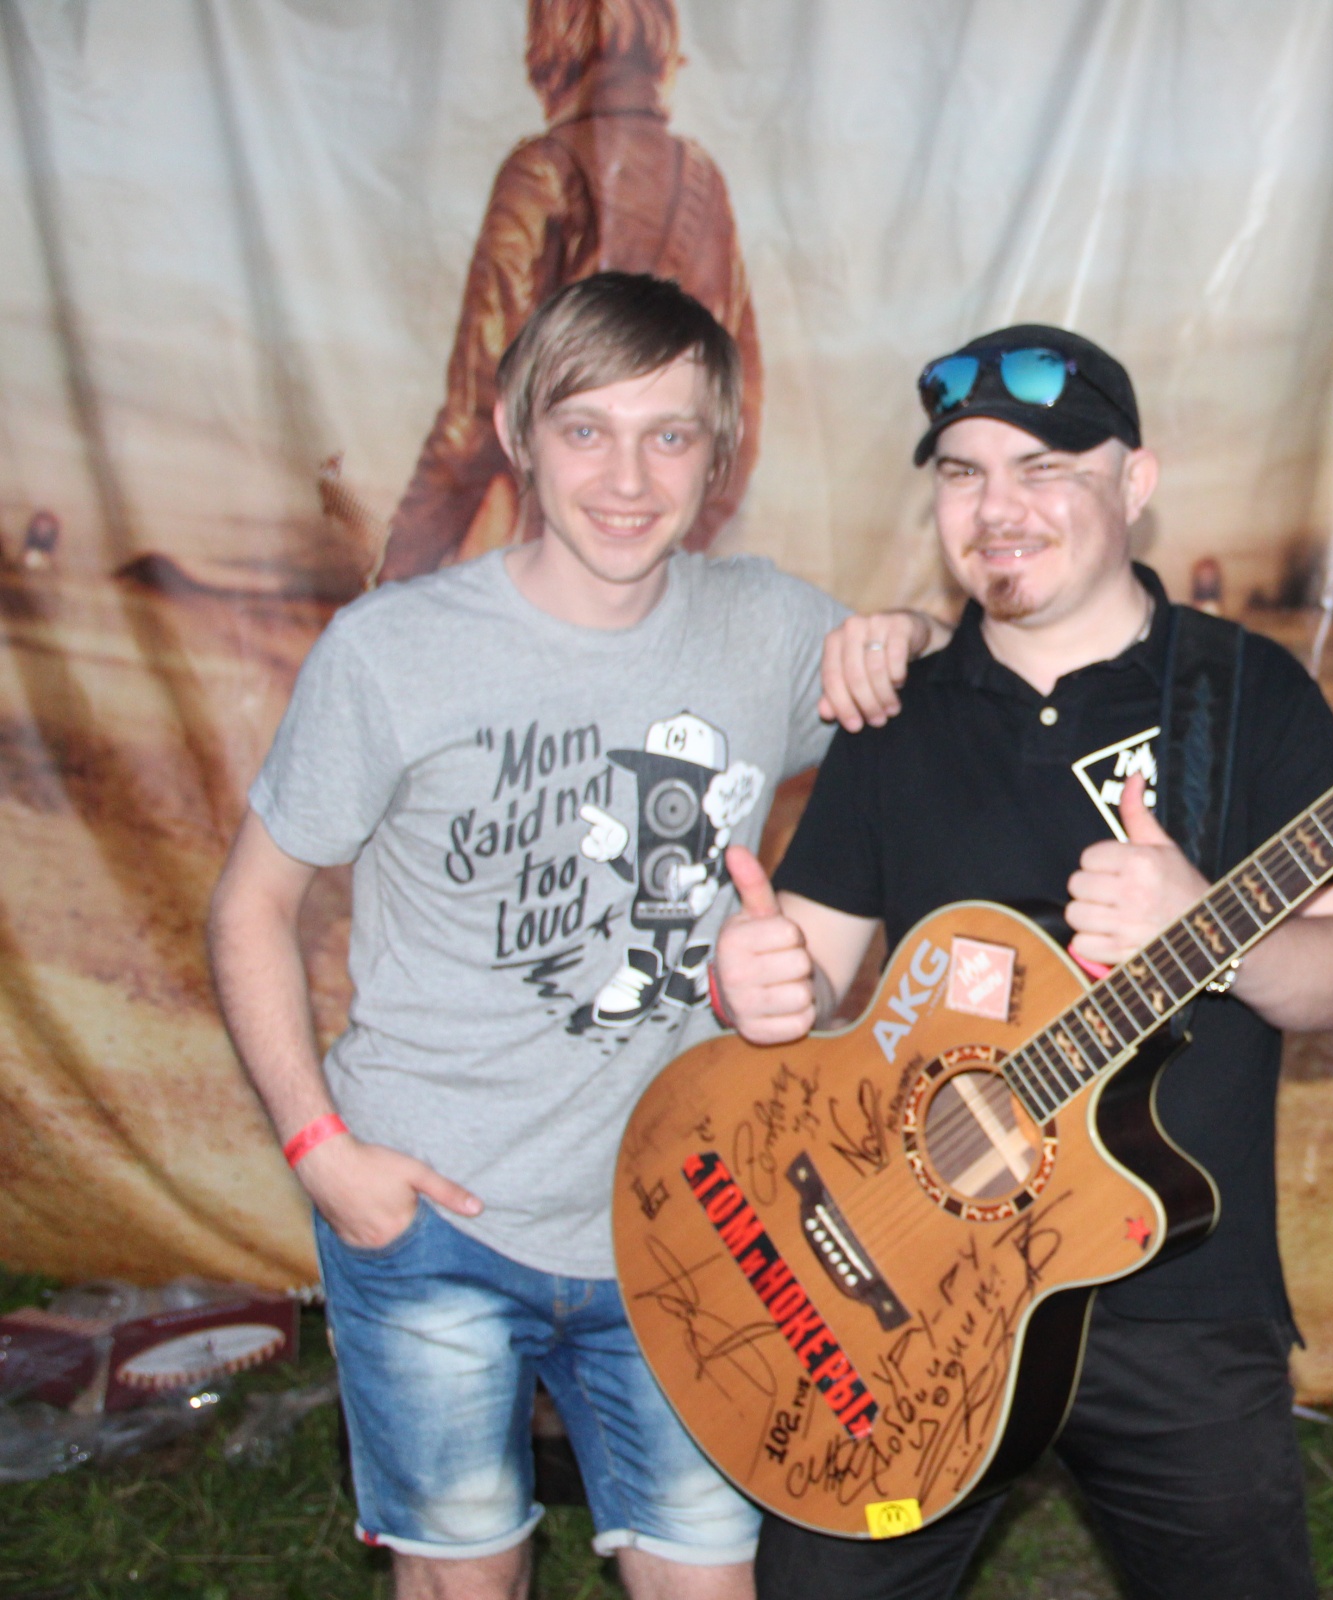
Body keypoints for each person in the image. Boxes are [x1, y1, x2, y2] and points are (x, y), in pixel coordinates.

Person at [209, 272, 939, 1600]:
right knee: (465, 1576)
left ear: (721, 456)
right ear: (515, 432)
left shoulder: (768, 626)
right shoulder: (392, 652)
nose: (627, 478)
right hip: (433, 1214)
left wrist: (912, 630)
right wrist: (321, 1152)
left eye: (670, 435)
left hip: (687, 1215)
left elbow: (934, 691)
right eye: (586, 428)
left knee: (707, 1580)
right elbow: (251, 905)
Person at [712, 324, 1333, 1600]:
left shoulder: (1252, 694)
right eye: (963, 473)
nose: (998, 508)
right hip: (918, 1288)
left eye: (1045, 469)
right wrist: (753, 980)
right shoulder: (896, 711)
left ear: (1135, 483)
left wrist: (1212, 927)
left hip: (1177, 1292)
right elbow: (799, 970)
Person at [378, 0, 760, 583]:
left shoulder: (540, 173)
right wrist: (669, 548)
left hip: (540, 561)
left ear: (548, 37)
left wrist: (396, 574)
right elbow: (741, 415)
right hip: (660, 572)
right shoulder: (703, 180)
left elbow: (473, 413)